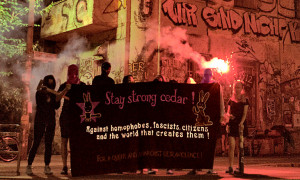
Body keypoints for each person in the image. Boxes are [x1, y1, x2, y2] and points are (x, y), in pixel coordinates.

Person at [187, 69, 225, 175]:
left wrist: (222, 115)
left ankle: (209, 166)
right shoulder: (200, 86)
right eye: (206, 74)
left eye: (209, 74)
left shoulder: (216, 86)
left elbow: (220, 101)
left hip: (212, 119)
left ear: (211, 75)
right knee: (198, 144)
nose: (207, 76)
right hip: (200, 119)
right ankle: (195, 166)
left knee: (210, 144)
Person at [26, 75, 60, 176]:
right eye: (48, 83)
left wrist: (57, 98)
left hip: (50, 120)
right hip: (40, 120)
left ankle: (47, 166)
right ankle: (29, 165)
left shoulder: (54, 94)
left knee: (48, 143)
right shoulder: (39, 93)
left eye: (52, 83)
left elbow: (56, 107)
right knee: (36, 142)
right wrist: (47, 98)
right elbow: (39, 105)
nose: (50, 84)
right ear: (45, 83)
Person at [58, 64, 85, 175]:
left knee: (76, 142)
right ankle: (64, 166)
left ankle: (76, 165)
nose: (73, 73)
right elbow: (57, 99)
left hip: (77, 117)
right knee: (64, 141)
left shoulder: (82, 85)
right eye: (71, 71)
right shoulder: (64, 85)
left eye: (74, 71)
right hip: (66, 116)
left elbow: (86, 99)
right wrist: (65, 89)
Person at [225, 80, 249, 175]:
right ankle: (230, 166)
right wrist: (228, 117)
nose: (236, 89)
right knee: (231, 145)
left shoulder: (245, 100)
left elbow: (245, 113)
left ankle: (239, 166)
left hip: (240, 124)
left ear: (242, 88)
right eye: (235, 87)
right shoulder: (231, 100)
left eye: (238, 87)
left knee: (240, 146)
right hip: (232, 123)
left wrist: (241, 123)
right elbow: (228, 112)